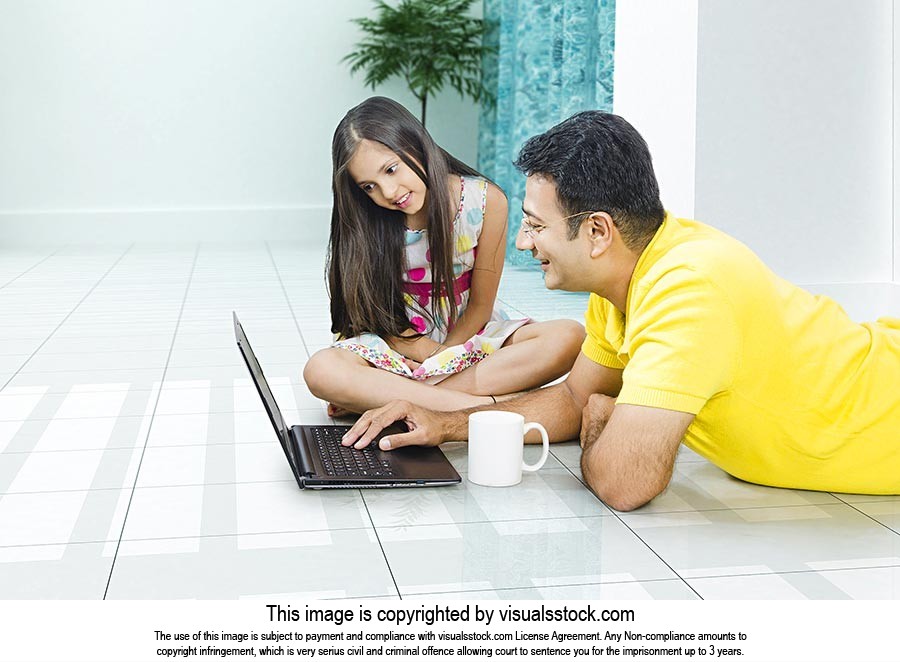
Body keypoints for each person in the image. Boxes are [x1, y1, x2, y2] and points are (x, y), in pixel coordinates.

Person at [340, 110, 900, 511]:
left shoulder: (688, 289)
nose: (522, 243)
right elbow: (572, 398)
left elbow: (623, 483)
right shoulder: (626, 283)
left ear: (599, 232)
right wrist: (447, 425)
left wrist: (603, 422)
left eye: (535, 226)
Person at [303, 97, 584, 416]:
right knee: (321, 369)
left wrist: (444, 355)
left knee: (569, 336)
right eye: (370, 186)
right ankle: (482, 408)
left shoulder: (486, 201)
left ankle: (402, 399)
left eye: (392, 170)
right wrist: (422, 350)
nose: (389, 192)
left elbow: (481, 306)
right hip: (397, 344)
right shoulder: (367, 219)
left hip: (466, 337)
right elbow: (368, 310)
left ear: (415, 143)